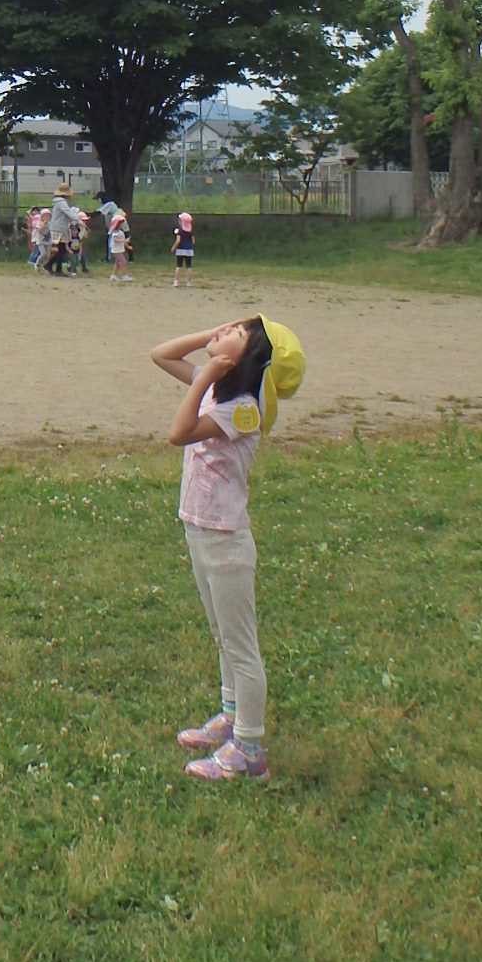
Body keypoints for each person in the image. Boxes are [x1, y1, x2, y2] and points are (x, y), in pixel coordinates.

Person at [150, 314, 305, 781]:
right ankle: (232, 714)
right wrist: (212, 337)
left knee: (241, 645)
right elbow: (162, 354)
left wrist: (206, 376)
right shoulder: (221, 388)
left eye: (237, 333)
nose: (224, 332)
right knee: (222, 634)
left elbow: (178, 433)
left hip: (225, 539)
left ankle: (249, 750)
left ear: (252, 359)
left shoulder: (243, 409)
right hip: (201, 528)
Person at [43, 187, 74, 276]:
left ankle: (50, 265)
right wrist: (78, 220)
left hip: (60, 227)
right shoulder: (61, 203)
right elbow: (69, 212)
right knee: (62, 249)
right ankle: (57, 270)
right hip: (59, 228)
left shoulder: (59, 202)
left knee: (62, 250)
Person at [172, 210, 196, 287]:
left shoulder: (179, 230)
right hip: (189, 250)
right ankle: (189, 282)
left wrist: (174, 247)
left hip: (180, 250)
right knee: (189, 266)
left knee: (178, 266)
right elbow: (193, 241)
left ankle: (176, 281)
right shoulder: (190, 231)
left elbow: (178, 240)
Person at [108, 209, 132, 282]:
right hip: (116, 250)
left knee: (118, 263)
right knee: (123, 262)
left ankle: (113, 276)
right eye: (120, 223)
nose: (121, 224)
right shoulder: (115, 231)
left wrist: (127, 246)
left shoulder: (120, 231)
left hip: (119, 250)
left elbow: (123, 240)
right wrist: (123, 241)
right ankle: (125, 276)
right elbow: (115, 239)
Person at [25, 204, 48, 269]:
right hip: (37, 237)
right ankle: (31, 261)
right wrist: (30, 212)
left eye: (37, 210)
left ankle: (34, 261)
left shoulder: (36, 219)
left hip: (38, 237)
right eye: (34, 210)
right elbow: (29, 216)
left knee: (37, 250)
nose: (35, 212)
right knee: (36, 250)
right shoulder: (35, 220)